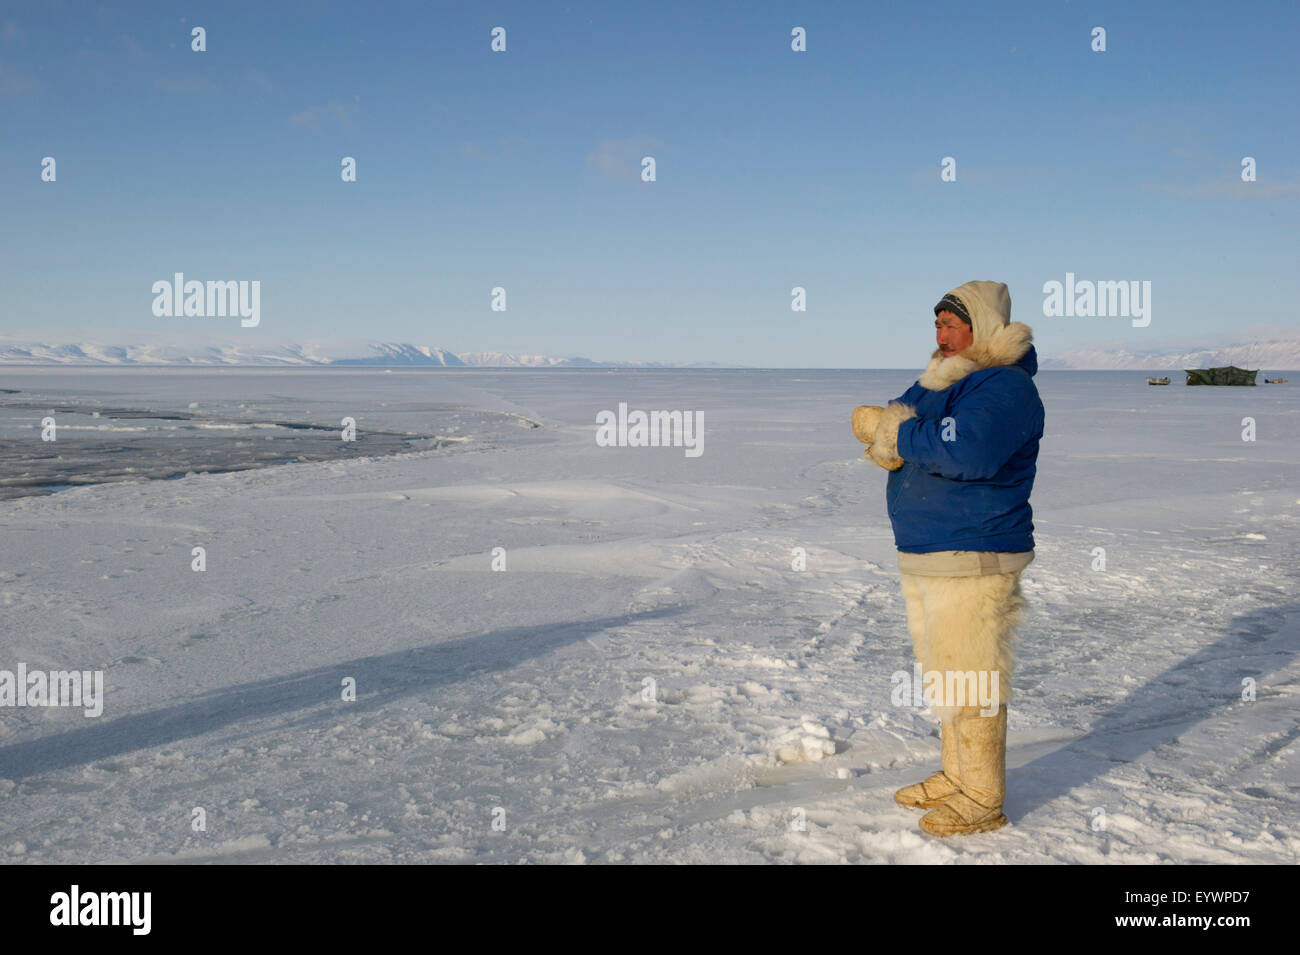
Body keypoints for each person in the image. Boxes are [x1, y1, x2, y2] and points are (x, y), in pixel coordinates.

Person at [851, 280, 1044, 836]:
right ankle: (958, 777)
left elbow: (969, 450)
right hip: (930, 551)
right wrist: (884, 437)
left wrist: (896, 429)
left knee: (973, 675)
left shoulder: (1004, 387)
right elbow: (911, 433)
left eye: (952, 324)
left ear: (982, 328)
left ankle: (982, 798)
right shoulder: (944, 381)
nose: (941, 334)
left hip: (974, 550)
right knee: (949, 673)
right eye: (936, 324)